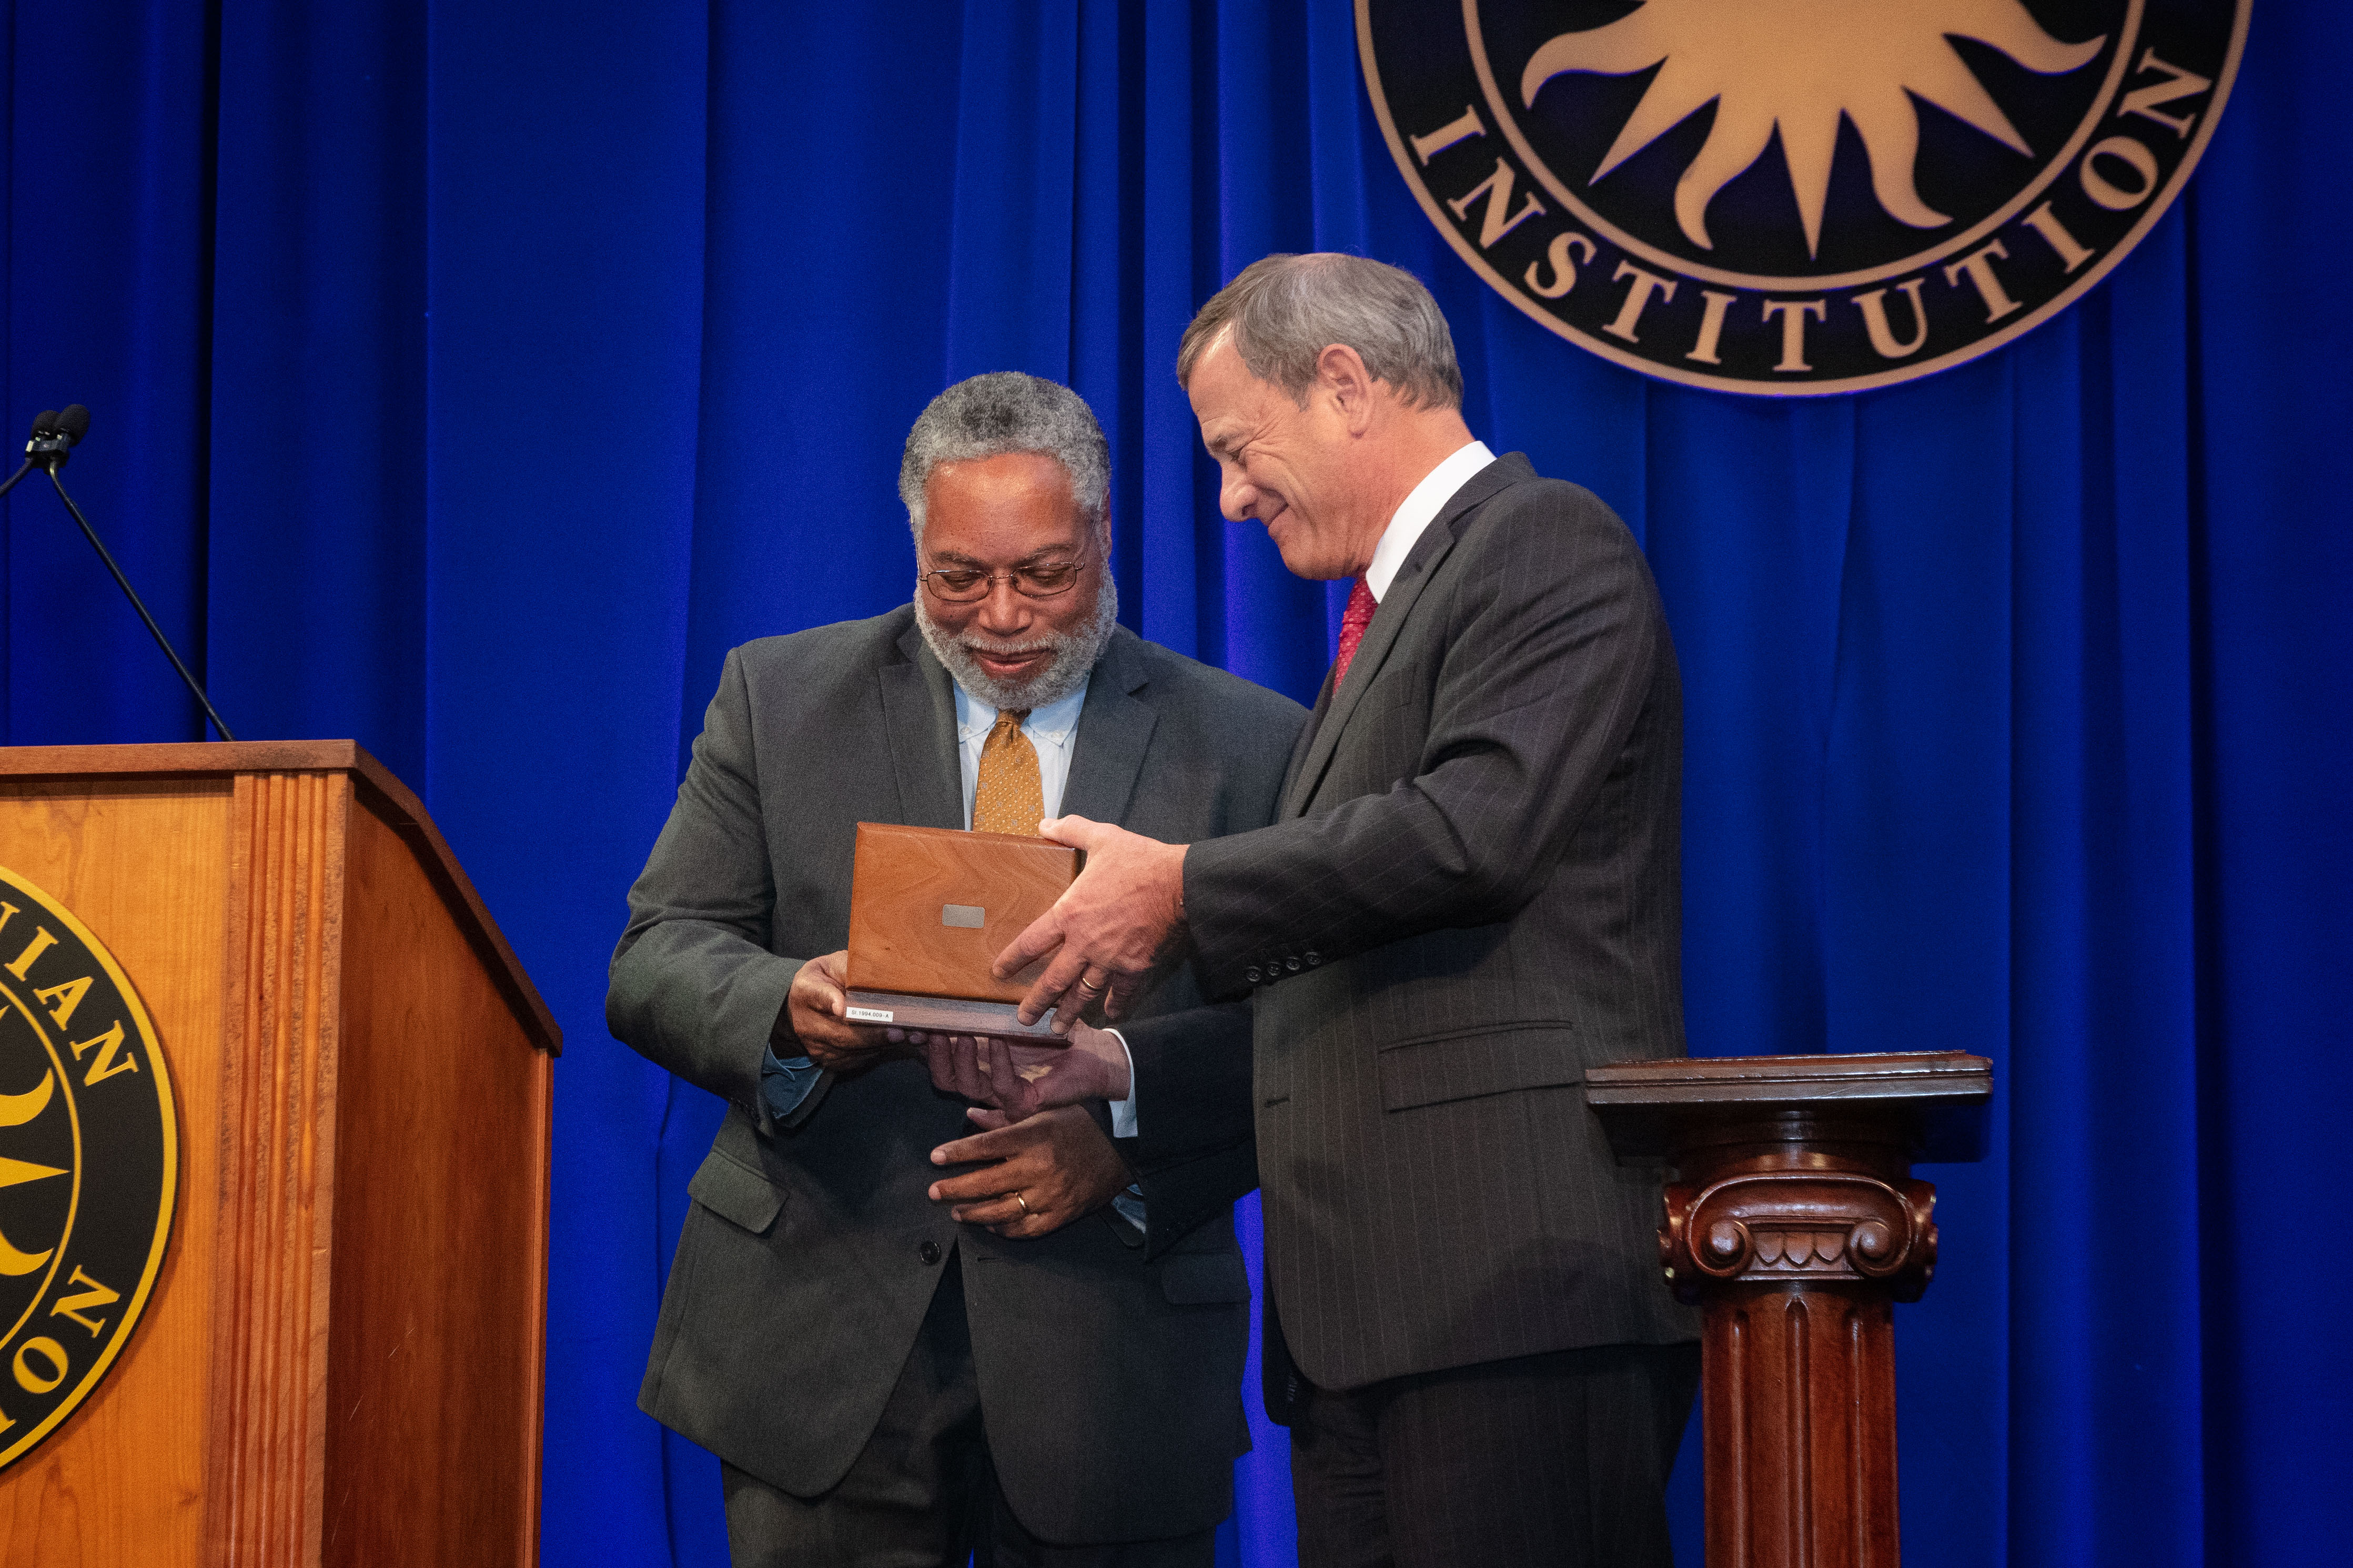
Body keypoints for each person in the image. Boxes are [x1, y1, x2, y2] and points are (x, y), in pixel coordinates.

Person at [969, 256, 1700, 1566]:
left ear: (1347, 387)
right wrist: (1118, 1065)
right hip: (1377, 1317)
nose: (1231, 496)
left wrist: (1179, 887)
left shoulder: (1542, 543)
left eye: (1240, 448)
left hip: (1506, 1300)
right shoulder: (1392, 612)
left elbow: (1470, 836)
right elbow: (1346, 982)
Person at [607, 371, 1306, 1566]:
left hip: (1111, 1351)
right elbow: (655, 955)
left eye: (1042, 574)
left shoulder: (1251, 742)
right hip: (813, 1345)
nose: (999, 616)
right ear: (915, 549)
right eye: (957, 578)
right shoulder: (777, 702)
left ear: (1102, 536)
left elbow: (1302, 1042)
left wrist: (1123, 1137)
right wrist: (787, 1009)